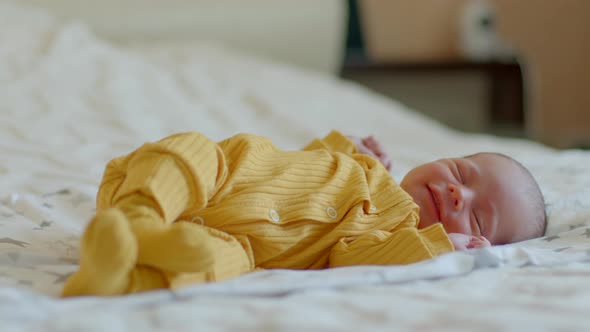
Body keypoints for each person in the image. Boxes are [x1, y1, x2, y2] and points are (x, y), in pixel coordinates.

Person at [61, 130, 546, 297]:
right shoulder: (366, 168)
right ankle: (140, 217)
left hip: (245, 247)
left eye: (478, 220)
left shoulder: (395, 240)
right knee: (193, 152)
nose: (458, 194)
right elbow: (301, 165)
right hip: (220, 177)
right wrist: (346, 146)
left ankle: (118, 276)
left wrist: (435, 247)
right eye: (461, 171)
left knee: (219, 264)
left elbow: (347, 262)